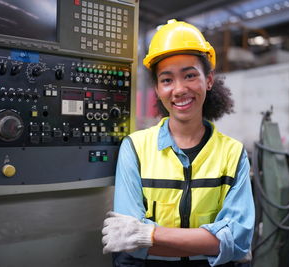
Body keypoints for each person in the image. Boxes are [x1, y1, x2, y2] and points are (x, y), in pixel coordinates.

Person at [102, 19, 255, 267]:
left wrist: (149, 234)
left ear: (209, 80)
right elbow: (127, 245)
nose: (179, 89)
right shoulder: (135, 148)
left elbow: (238, 241)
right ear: (157, 88)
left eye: (190, 75)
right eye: (167, 80)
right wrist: (213, 243)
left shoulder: (233, 153)